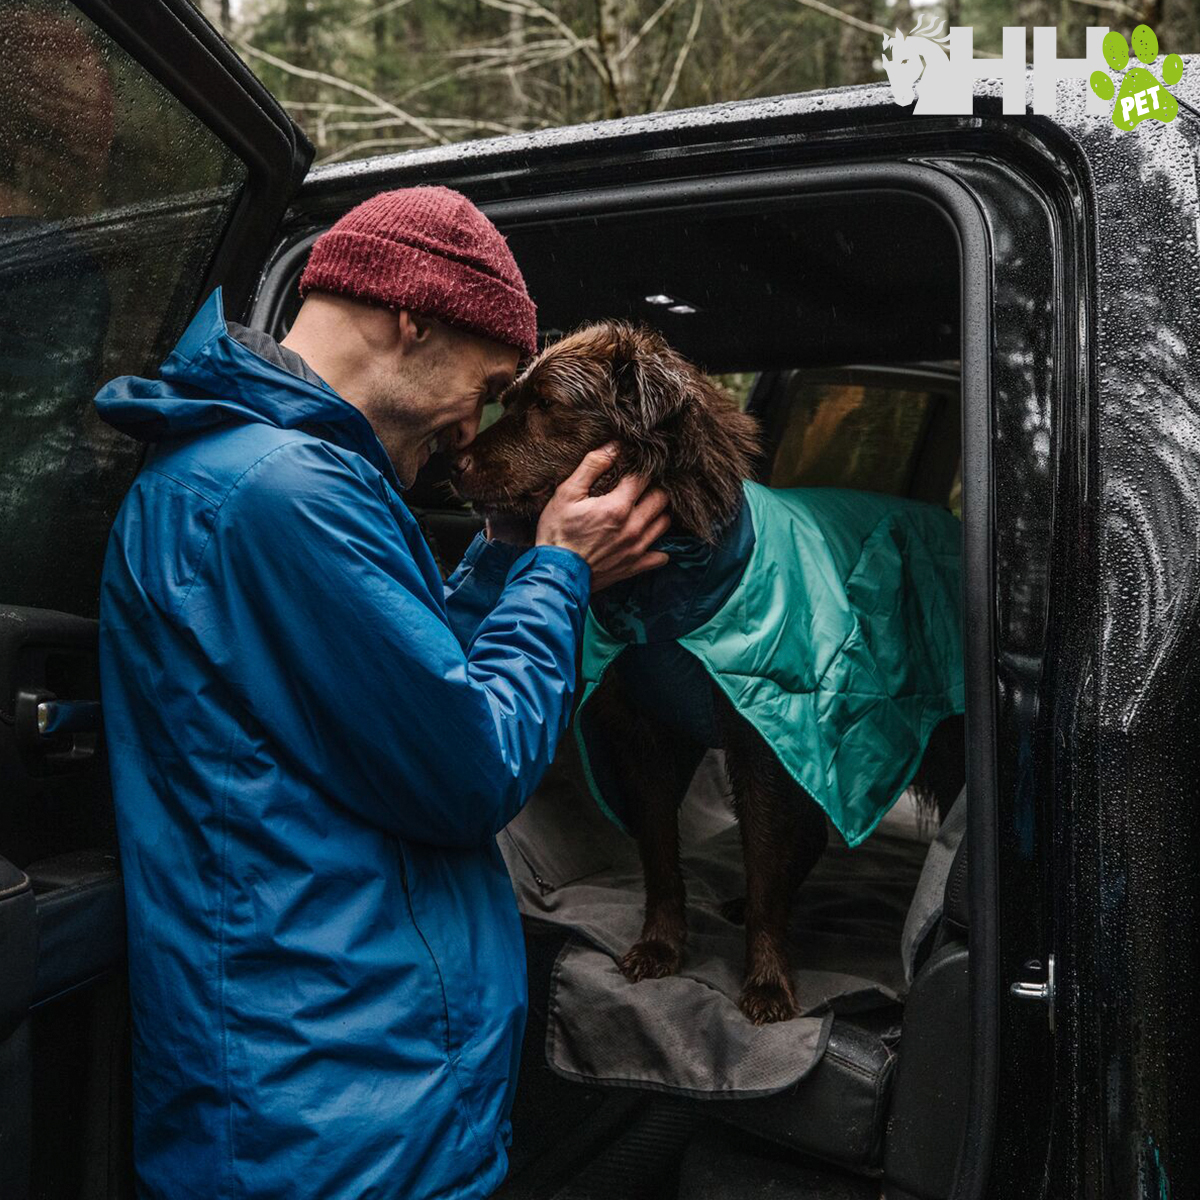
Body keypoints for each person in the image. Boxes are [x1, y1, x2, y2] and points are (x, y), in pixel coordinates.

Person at [93, 186, 669, 1200]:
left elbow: (409, 694)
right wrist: (559, 575)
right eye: (487, 387)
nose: (472, 429)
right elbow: (468, 770)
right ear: (411, 317)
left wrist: (508, 553)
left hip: (354, 1080)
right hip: (327, 1106)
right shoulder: (281, 493)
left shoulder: (292, 478)